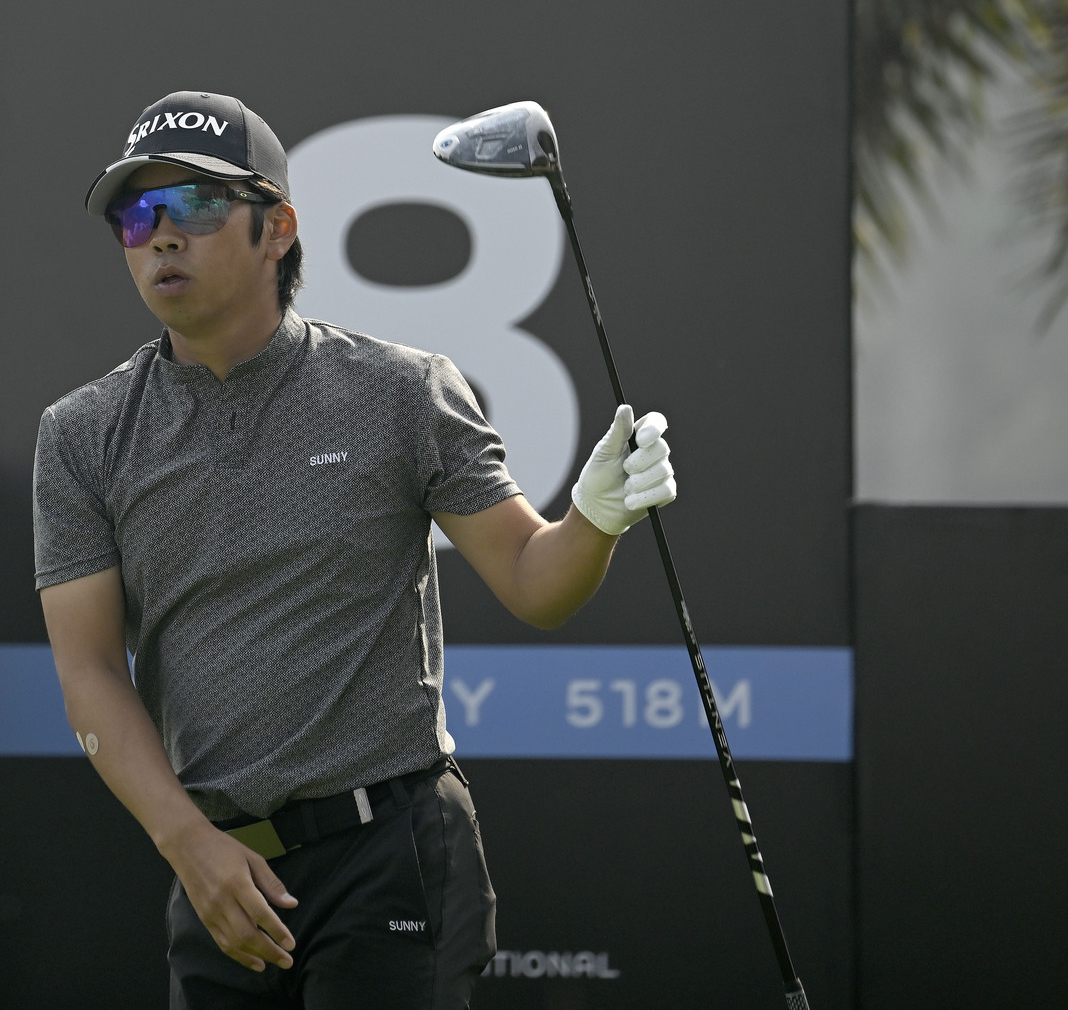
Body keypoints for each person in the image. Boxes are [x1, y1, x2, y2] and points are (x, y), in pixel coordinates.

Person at [33, 91, 677, 1009]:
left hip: (394, 854)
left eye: (198, 206)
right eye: (138, 216)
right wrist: (188, 845)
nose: (162, 236)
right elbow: (90, 670)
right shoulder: (83, 435)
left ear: (278, 229)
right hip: (222, 871)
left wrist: (597, 517)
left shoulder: (403, 394)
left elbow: (537, 584)